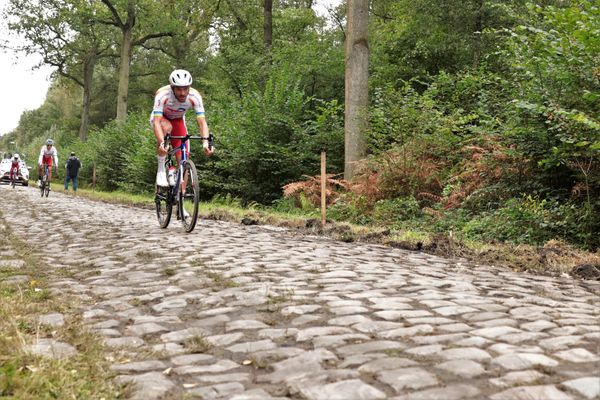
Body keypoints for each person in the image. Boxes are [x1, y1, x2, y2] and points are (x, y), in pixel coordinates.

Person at [151, 69, 213, 188]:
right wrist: (162, 142)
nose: (183, 93)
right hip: (161, 119)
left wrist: (205, 142)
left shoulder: (195, 96)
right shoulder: (162, 94)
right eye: (179, 89)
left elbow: (202, 122)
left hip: (178, 120)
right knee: (167, 127)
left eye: (185, 89)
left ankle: (181, 198)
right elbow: (157, 122)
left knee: (183, 159)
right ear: (172, 88)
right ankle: (161, 170)